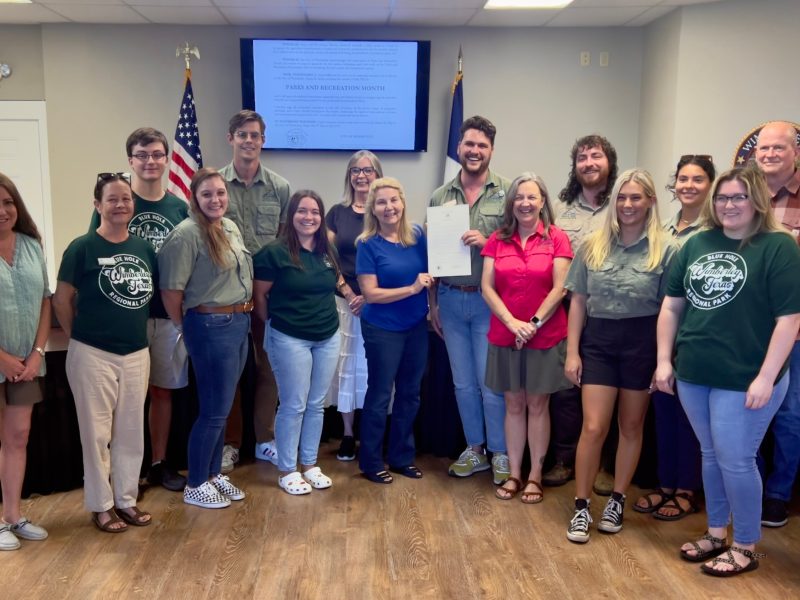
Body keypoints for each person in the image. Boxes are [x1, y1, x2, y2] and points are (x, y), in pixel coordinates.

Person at [654, 165, 800, 576]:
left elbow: (789, 320)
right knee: (711, 454)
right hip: (695, 372)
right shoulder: (698, 243)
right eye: (722, 198)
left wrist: (767, 377)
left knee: (737, 459)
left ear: (756, 200)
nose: (728, 205)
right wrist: (665, 361)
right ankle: (717, 533)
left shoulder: (778, 246)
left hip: (747, 375)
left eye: (738, 197)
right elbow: (672, 306)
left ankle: (747, 544)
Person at [563, 168, 677, 543]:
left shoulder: (667, 248)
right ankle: (581, 507)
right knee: (593, 426)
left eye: (636, 198)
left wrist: (663, 359)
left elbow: (669, 310)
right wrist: (572, 352)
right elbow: (578, 301)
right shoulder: (592, 244)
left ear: (650, 202)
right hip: (599, 342)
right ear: (615, 202)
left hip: (642, 343)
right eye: (622, 198)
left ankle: (617, 499)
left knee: (631, 426)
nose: (628, 205)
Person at [53, 172, 156, 532]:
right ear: (97, 205)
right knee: (96, 434)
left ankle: (126, 500)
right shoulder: (81, 248)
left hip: (136, 353)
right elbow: (61, 300)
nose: (120, 205)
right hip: (92, 353)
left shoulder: (143, 248)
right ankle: (101, 505)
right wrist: (78, 337)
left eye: (125, 199)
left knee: (131, 430)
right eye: (111, 199)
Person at [89, 128, 189, 491]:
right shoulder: (116, 200)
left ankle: (158, 464)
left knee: (161, 391)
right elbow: (96, 257)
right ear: (130, 161)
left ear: (166, 159)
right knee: (121, 400)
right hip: (124, 316)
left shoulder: (180, 207)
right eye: (142, 155)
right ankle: (119, 474)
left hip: (165, 316)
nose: (150, 161)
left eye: (157, 154)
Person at [159, 168, 252, 509]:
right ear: (195, 198)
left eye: (220, 193)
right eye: (207, 194)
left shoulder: (229, 227)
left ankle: (213, 474)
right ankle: (196, 482)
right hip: (209, 326)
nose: (216, 200)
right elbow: (171, 290)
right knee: (213, 411)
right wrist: (187, 327)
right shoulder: (186, 234)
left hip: (238, 322)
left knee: (222, 408)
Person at [428, 115, 511, 485]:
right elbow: (433, 257)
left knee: (489, 382)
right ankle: (474, 449)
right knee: (462, 383)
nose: (475, 151)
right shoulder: (440, 196)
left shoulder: (509, 193)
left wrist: (489, 243)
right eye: (469, 144)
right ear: (459, 147)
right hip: (449, 298)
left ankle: (500, 452)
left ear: (491, 150)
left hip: (488, 302)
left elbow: (524, 245)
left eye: (482, 145)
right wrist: (432, 305)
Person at [480, 173, 573, 504]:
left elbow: (561, 287)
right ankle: (515, 473)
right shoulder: (497, 239)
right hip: (505, 335)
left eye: (532, 197)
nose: (525, 203)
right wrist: (512, 323)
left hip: (545, 335)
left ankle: (535, 475)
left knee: (538, 404)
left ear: (543, 202)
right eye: (519, 197)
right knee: (513, 403)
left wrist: (531, 324)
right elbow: (487, 287)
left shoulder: (557, 239)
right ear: (511, 203)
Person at [634, 154, 715, 521]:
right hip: (660, 328)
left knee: (689, 415)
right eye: (683, 179)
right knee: (663, 408)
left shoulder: (714, 231)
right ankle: (665, 483)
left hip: (696, 332)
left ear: (710, 186)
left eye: (698, 179)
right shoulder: (662, 229)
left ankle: (686, 488)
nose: (689, 186)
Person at [253, 191, 341, 495]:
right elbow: (260, 297)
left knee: (316, 404)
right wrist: (278, 326)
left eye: (315, 212)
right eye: (302, 211)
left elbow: (335, 284)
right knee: (293, 404)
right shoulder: (273, 253)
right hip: (289, 338)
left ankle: (309, 464)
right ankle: (287, 470)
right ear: (291, 216)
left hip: (327, 336)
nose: (309, 217)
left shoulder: (326, 251)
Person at [547, 135, 619, 493]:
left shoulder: (623, 204)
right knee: (565, 388)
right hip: (567, 307)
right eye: (582, 158)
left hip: (609, 312)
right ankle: (564, 459)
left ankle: (606, 466)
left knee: (609, 391)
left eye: (596, 156)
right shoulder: (561, 209)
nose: (589, 163)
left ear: (609, 161)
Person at [219, 110, 291, 472]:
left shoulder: (280, 187)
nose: (249, 141)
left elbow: (282, 243)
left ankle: (265, 439)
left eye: (256, 135)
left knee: (269, 368)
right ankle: (230, 443)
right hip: (224, 295)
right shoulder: (214, 185)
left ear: (264, 140)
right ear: (230, 138)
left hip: (265, 294)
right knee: (230, 371)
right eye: (242, 135)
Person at [356, 177, 432, 484]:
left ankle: (401, 457)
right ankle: (371, 462)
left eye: (393, 200)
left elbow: (432, 273)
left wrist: (432, 308)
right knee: (379, 394)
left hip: (416, 326)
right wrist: (412, 289)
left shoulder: (416, 235)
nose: (389, 207)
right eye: (381, 202)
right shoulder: (367, 244)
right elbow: (371, 294)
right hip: (382, 329)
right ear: (373, 209)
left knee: (410, 395)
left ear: (403, 202)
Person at [0, 173, 50, 550]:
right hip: (4, 360)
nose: (3, 211)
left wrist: (36, 354)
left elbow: (45, 302)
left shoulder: (33, 245)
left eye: (8, 202)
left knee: (18, 438)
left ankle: (13, 516)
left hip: (26, 365)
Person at [754, 121, 800, 528]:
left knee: (788, 414)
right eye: (764, 148)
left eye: (778, 148)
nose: (769, 154)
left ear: (795, 152)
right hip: (749, 329)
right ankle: (749, 485)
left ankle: (777, 494)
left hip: (794, 330)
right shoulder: (747, 196)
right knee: (749, 410)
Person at [325, 151, 383, 461]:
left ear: (377, 175)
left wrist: (371, 294)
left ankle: (372, 433)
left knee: (375, 368)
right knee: (346, 369)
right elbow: (327, 255)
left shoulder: (387, 210)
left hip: (379, 303)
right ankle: (348, 433)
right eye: (355, 171)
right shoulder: (337, 213)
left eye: (368, 170)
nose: (361, 176)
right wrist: (348, 291)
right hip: (345, 302)